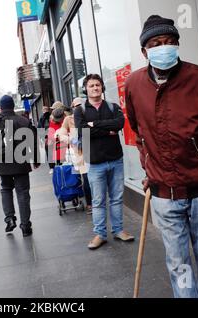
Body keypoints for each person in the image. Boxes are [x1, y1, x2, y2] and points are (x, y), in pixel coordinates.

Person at [125, 15, 198, 298]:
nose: (163, 47)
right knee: (178, 264)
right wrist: (149, 167)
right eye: (155, 43)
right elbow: (140, 133)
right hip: (164, 193)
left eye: (168, 42)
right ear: (144, 52)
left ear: (177, 44)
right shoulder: (134, 85)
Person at [74, 74, 134, 250]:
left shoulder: (112, 106)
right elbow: (82, 133)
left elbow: (119, 124)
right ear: (86, 89)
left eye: (98, 85)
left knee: (117, 198)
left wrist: (95, 125)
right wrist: (107, 129)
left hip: (116, 160)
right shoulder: (80, 111)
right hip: (95, 163)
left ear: (102, 87)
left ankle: (118, 230)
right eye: (91, 85)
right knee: (99, 200)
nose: (95, 88)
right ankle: (100, 234)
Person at [0, 95, 40, 237]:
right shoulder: (23, 121)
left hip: (3, 163)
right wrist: (36, 159)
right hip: (21, 162)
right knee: (23, 193)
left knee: (6, 189)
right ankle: (26, 225)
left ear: (1, 107)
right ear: (13, 106)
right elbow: (33, 142)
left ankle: (9, 218)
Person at [56, 97, 92, 213]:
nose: (78, 108)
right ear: (72, 107)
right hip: (81, 153)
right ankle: (90, 203)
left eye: (80, 105)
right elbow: (60, 133)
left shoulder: (90, 115)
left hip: (95, 150)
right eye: (76, 106)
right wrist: (70, 139)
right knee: (86, 178)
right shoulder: (69, 119)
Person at [47, 106, 66, 174]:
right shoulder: (52, 122)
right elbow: (51, 136)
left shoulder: (67, 119)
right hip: (59, 149)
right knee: (62, 170)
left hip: (69, 149)